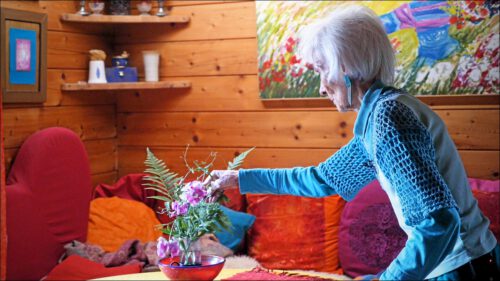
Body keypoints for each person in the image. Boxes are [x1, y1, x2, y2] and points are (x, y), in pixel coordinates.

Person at [204, 4, 499, 281]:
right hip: (455, 262)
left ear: (345, 66)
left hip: (461, 266)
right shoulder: (380, 115)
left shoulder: (388, 118)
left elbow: (438, 221)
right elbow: (322, 179)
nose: (321, 87)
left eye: (321, 69)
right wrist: (238, 178)